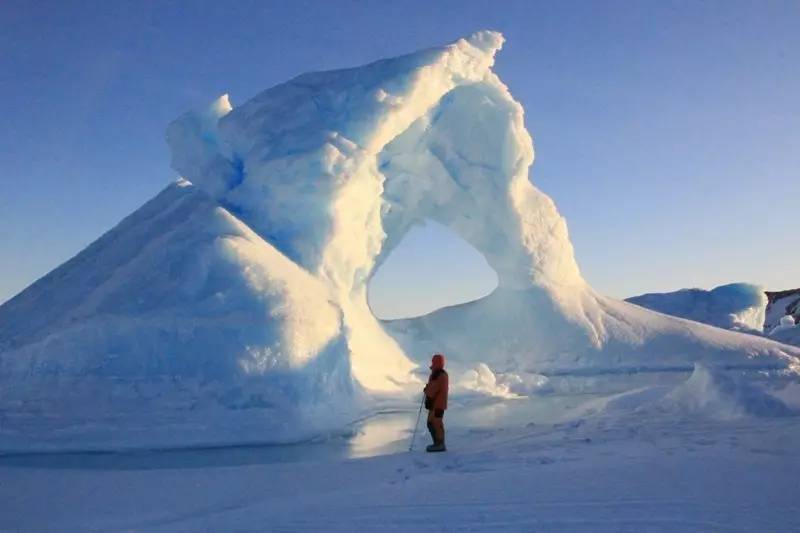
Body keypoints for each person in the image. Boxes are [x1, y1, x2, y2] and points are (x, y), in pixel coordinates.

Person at [423, 353, 449, 452]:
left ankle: (440, 444)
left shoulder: (439, 375)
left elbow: (433, 389)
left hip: (438, 404)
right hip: (436, 404)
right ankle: (437, 443)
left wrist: (427, 389)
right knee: (432, 423)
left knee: (435, 423)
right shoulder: (439, 374)